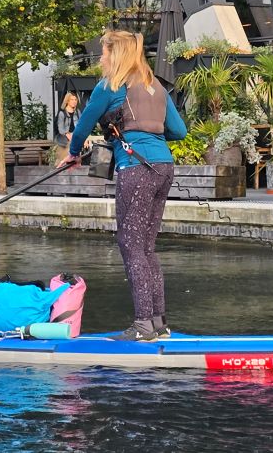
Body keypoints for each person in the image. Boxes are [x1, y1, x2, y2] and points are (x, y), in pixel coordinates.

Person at [58, 30, 187, 341]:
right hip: (162, 167)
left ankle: (143, 326)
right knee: (146, 247)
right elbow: (179, 131)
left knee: (130, 244)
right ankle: (158, 324)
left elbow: (84, 124)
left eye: (104, 53)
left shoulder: (110, 85)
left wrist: (74, 154)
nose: (101, 58)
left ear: (116, 55)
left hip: (136, 169)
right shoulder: (155, 85)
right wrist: (147, 136)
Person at [53, 92, 82, 164]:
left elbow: (81, 126)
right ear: (67, 101)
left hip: (75, 141)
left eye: (75, 100)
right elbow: (61, 129)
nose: (74, 101)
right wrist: (68, 134)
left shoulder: (78, 112)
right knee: (61, 163)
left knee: (76, 164)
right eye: (72, 99)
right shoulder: (62, 113)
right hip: (64, 143)